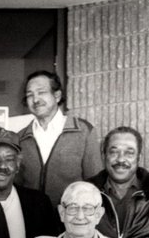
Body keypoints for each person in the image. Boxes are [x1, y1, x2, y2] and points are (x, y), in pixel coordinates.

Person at [14, 70, 102, 205]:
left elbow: (95, 182)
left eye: (41, 92)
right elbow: (17, 184)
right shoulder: (20, 138)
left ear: (57, 95)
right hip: (31, 217)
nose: (36, 100)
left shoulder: (83, 132)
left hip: (71, 217)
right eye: (30, 95)